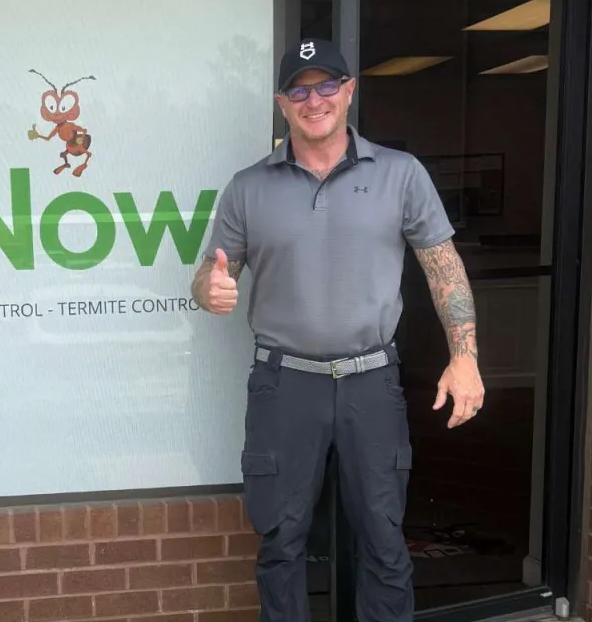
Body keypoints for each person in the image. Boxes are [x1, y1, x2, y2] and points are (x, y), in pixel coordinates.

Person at [190, 38, 485, 622]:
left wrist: (465, 356)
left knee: (383, 538)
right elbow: (211, 272)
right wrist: (209, 289)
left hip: (370, 383)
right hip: (283, 385)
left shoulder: (400, 174)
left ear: (349, 91)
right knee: (281, 542)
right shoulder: (248, 187)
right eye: (298, 91)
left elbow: (444, 268)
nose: (314, 100)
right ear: (282, 103)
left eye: (327, 85)